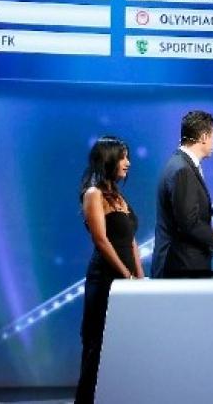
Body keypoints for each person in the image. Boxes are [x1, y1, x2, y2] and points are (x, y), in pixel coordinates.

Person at [75, 136, 143, 404]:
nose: (128, 163)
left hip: (127, 281)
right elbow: (101, 240)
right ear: (109, 159)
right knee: (97, 346)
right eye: (123, 157)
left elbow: (132, 241)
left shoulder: (118, 196)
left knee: (124, 347)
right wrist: (126, 277)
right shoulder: (94, 194)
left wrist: (139, 278)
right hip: (105, 280)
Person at [151, 110, 213, 278]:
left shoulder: (180, 164)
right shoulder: (182, 169)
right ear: (204, 137)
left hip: (181, 265)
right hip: (181, 267)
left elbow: (186, 218)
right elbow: (188, 223)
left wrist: (211, 230)